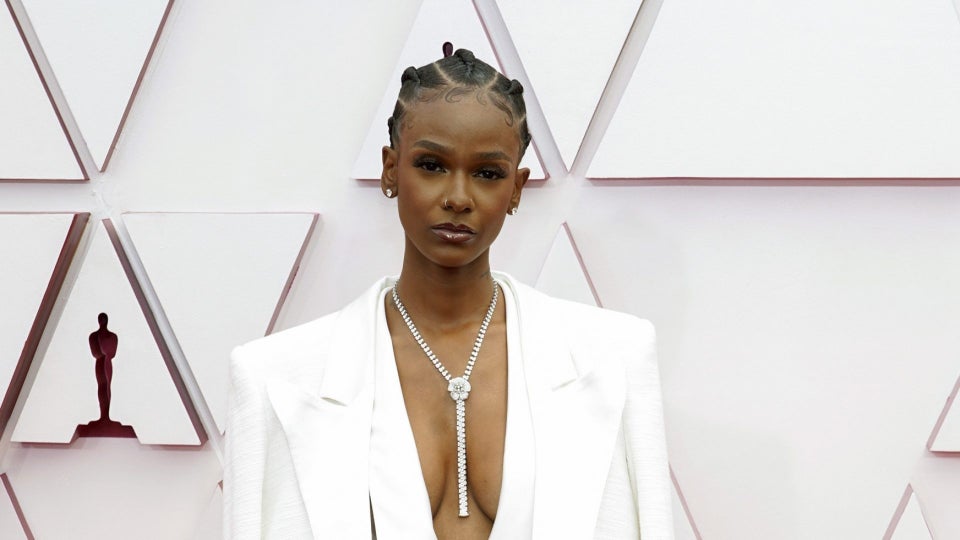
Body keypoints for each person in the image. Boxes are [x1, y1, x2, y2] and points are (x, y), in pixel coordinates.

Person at [224, 48, 674, 539]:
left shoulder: (614, 357)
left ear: (517, 188)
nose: (458, 198)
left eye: (487, 173)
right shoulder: (275, 377)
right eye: (432, 165)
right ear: (390, 169)